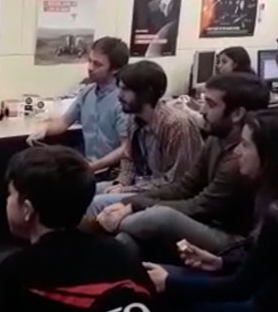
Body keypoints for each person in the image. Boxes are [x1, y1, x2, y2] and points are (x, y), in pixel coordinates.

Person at [0, 146, 170, 312]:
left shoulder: (16, 272)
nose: (7, 201)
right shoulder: (123, 253)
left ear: (27, 209)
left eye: (10, 194)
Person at [96, 73, 270, 260]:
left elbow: (200, 207)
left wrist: (133, 207)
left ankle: (96, 226)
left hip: (231, 239)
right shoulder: (217, 138)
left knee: (159, 217)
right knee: (127, 239)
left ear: (237, 114)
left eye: (210, 104)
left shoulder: (239, 160)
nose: (202, 110)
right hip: (205, 222)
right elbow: (185, 186)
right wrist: (133, 203)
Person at [145, 109, 278, 312]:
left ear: (269, 156)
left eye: (245, 145)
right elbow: (263, 264)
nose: (237, 152)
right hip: (258, 306)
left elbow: (240, 287)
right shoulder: (266, 198)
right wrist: (220, 262)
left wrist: (169, 283)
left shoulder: (274, 214)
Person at [86, 61, 203, 215]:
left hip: (167, 195)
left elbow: (176, 181)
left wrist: (127, 189)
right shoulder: (134, 118)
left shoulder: (176, 124)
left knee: (97, 203)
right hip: (143, 185)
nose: (119, 96)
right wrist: (122, 182)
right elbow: (128, 159)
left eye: (125, 90)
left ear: (146, 93)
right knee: (85, 190)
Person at [27, 37, 130, 172]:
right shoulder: (87, 93)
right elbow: (64, 122)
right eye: (90, 61)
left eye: (97, 64)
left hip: (113, 172)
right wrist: (43, 128)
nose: (90, 68)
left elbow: (125, 148)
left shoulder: (123, 100)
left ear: (114, 69)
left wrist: (92, 167)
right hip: (90, 166)